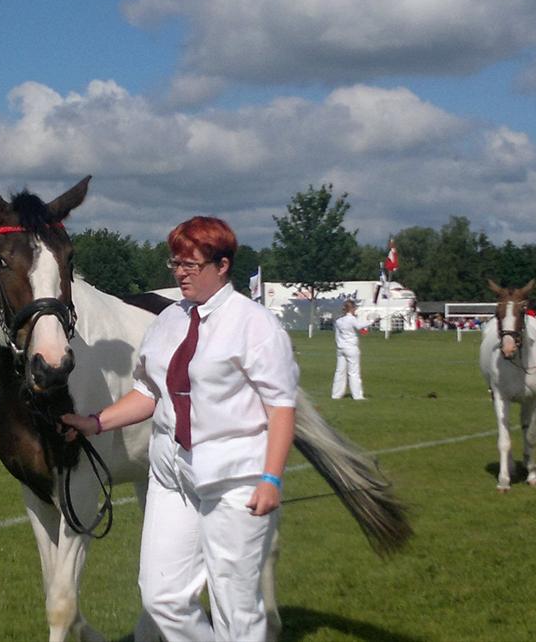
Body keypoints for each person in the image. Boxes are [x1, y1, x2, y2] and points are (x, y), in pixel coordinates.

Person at [61, 216, 298, 642]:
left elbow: (281, 407)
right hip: (171, 473)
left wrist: (271, 478)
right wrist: (95, 422)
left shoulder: (255, 325)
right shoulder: (169, 320)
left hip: (234, 476)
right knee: (161, 598)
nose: (180, 273)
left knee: (235, 606)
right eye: (176, 264)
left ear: (222, 265)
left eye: (191, 265)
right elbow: (149, 393)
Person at [331, 300, 372, 400]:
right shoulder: (352, 319)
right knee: (353, 372)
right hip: (351, 348)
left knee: (339, 372)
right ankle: (357, 395)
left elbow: (337, 336)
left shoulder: (339, 320)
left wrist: (339, 345)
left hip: (341, 348)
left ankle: (336, 394)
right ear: (352, 308)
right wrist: (371, 321)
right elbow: (359, 326)